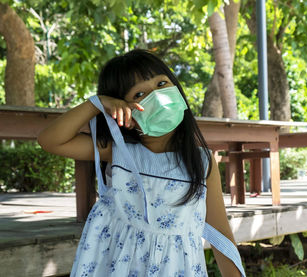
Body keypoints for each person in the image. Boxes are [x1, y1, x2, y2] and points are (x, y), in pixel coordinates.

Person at [38, 49, 244, 276]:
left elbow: (220, 233)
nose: (156, 95)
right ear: (123, 110)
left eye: (161, 83)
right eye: (139, 95)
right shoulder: (117, 152)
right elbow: (51, 141)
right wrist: (96, 104)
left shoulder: (202, 161)